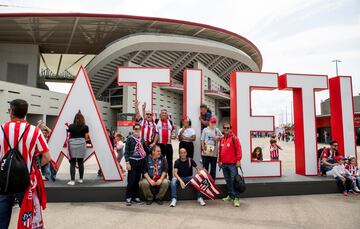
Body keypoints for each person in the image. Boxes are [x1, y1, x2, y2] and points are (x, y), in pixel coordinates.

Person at [0, 99, 51, 228]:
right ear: (26, 112)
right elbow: (47, 157)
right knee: (28, 220)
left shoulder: (1, 129)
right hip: (25, 181)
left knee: (1, 220)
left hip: (3, 181)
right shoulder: (35, 131)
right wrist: (34, 167)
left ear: (11, 112)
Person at [218, 122, 242, 207]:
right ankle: (230, 196)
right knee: (228, 181)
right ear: (223, 129)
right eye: (225, 128)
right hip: (224, 164)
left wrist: (238, 160)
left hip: (232, 164)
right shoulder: (222, 139)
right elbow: (220, 151)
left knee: (234, 181)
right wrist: (219, 161)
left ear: (231, 129)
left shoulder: (234, 138)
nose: (226, 129)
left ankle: (236, 198)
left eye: (228, 128)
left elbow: (239, 150)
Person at [124, 123, 149, 206]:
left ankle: (136, 196)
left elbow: (146, 149)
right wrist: (127, 163)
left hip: (140, 161)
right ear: (133, 129)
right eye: (135, 129)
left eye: (138, 129)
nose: (137, 131)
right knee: (131, 180)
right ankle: (128, 197)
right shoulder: (130, 139)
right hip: (132, 161)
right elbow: (126, 152)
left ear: (140, 130)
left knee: (137, 180)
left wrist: (153, 149)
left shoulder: (142, 139)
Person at [66, 113, 89, 185]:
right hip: (81, 144)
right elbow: (86, 137)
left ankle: (72, 181)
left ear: (75, 118)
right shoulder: (85, 127)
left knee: (72, 163)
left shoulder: (70, 126)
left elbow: (68, 135)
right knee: (80, 162)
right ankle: (81, 179)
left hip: (72, 144)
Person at [155, 109, 175, 180]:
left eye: (165, 113)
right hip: (160, 145)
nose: (164, 114)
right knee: (160, 161)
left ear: (167, 115)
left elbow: (173, 131)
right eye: (162, 113)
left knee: (170, 162)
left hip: (168, 145)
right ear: (160, 115)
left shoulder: (170, 122)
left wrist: (173, 135)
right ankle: (160, 176)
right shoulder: (157, 121)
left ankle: (170, 177)